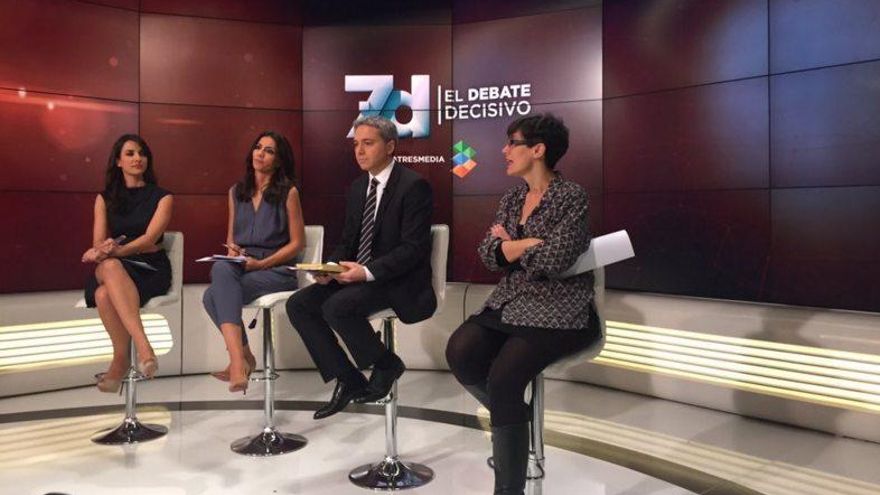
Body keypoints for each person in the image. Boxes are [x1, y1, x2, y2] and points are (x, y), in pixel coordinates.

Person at [445, 114, 601, 495]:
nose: (504, 150)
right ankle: (512, 418)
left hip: (561, 308)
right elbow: (488, 253)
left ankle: (508, 487)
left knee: (504, 378)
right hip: (512, 301)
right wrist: (528, 244)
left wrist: (511, 246)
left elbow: (556, 260)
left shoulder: (571, 196)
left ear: (538, 150)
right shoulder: (513, 198)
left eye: (511, 143)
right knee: (460, 351)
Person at [285, 115, 435, 420]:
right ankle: (348, 378)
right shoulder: (357, 188)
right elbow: (348, 241)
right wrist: (329, 268)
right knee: (299, 304)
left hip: (397, 280)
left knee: (338, 306)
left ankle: (386, 364)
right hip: (358, 277)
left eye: (368, 143)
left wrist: (366, 272)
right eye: (356, 144)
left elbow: (413, 249)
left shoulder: (413, 186)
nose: (360, 151)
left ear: (390, 146)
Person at [202, 131, 305, 394]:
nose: (260, 153)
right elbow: (231, 239)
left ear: (278, 160)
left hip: (277, 270)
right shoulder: (236, 192)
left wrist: (262, 264)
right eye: (258, 147)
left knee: (212, 297)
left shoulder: (288, 192)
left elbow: (297, 244)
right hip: (244, 266)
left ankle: (240, 361)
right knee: (220, 267)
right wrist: (234, 251)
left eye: (269, 151)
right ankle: (242, 358)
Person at [81, 134, 173, 393]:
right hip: (116, 265)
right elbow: (99, 242)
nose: (137, 158)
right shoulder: (104, 198)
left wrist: (117, 251)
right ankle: (144, 348)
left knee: (103, 293)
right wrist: (101, 250)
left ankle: (121, 360)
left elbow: (149, 240)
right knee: (110, 267)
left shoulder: (163, 197)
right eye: (130, 153)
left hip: (149, 267)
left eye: (142, 153)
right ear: (118, 161)